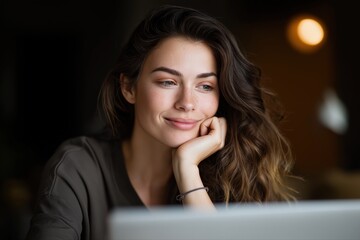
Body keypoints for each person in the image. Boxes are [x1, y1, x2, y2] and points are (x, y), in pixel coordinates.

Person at [26, 4, 296, 240]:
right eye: (168, 82)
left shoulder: (233, 172)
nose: (187, 102)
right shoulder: (79, 166)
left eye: (205, 86)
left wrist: (187, 170)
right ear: (129, 88)